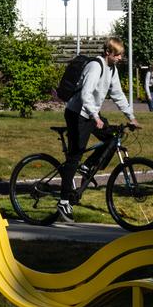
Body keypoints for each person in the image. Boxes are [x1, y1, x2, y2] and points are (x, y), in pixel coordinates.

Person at [58, 37, 139, 223]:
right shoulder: (96, 66)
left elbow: (117, 94)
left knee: (113, 138)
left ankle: (88, 167)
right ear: (108, 53)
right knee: (74, 156)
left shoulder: (112, 69)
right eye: (118, 55)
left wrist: (131, 117)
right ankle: (63, 201)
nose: (120, 58)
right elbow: (86, 95)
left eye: (121, 55)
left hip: (92, 112)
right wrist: (95, 117)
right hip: (77, 113)